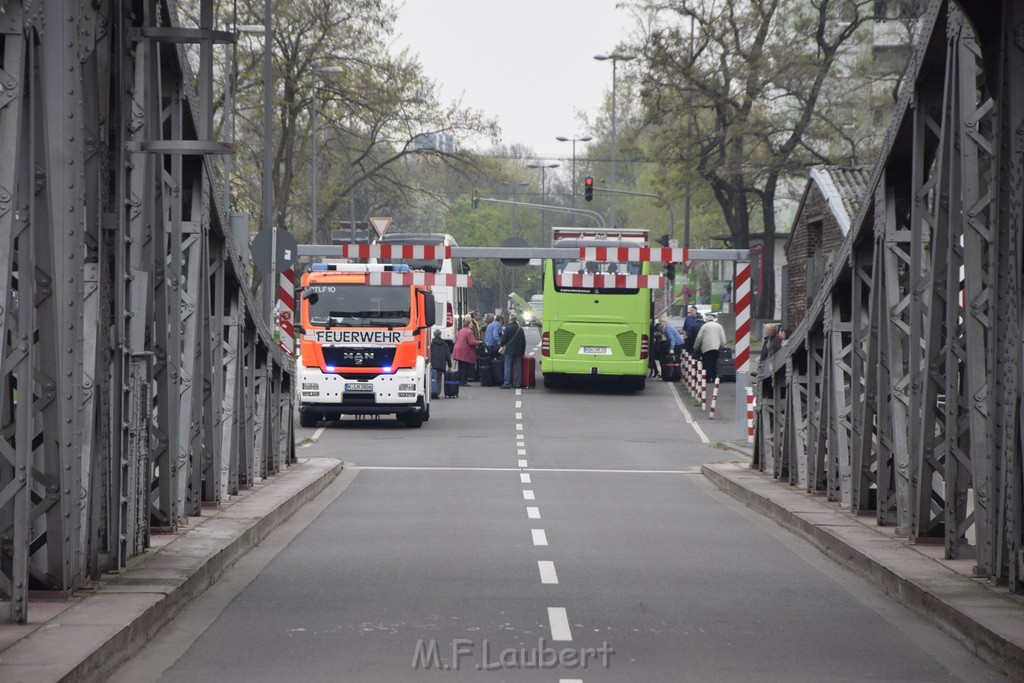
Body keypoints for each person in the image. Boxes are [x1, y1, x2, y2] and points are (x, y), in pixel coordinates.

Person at [694, 312, 728, 382]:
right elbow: (723, 337)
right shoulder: (719, 326)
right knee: (715, 362)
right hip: (716, 348)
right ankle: (715, 377)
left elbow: (699, 338)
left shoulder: (704, 326)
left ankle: (708, 378)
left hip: (706, 348)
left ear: (707, 320)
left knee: (707, 363)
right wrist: (723, 345)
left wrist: (696, 347)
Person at [499, 315, 526, 388]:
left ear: (510, 319)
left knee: (507, 367)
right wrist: (523, 352)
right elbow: (523, 342)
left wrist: (501, 345)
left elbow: (504, 340)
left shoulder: (508, 327)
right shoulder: (520, 329)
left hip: (509, 350)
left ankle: (507, 383)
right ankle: (518, 383)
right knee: (518, 367)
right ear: (516, 319)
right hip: (518, 351)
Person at [452, 320, 482, 386]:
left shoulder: (461, 330)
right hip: (464, 350)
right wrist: (479, 342)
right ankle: (463, 381)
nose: (472, 325)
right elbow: (471, 342)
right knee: (465, 366)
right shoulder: (469, 331)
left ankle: (460, 381)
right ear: (467, 324)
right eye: (471, 324)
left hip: (458, 349)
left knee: (460, 366)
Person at [760, 323, 782, 396]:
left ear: (771, 330)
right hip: (767, 360)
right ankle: (766, 394)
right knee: (766, 377)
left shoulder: (775, 339)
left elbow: (777, 349)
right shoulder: (768, 338)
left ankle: (769, 394)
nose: (766, 331)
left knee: (768, 377)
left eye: (767, 329)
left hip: (771, 361)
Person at [429, 329, 452, 398]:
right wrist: (449, 365)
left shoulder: (431, 344)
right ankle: (437, 393)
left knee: (432, 378)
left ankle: (432, 392)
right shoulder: (444, 344)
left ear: (434, 334)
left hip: (433, 364)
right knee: (439, 379)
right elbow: (448, 355)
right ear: (440, 334)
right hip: (441, 365)